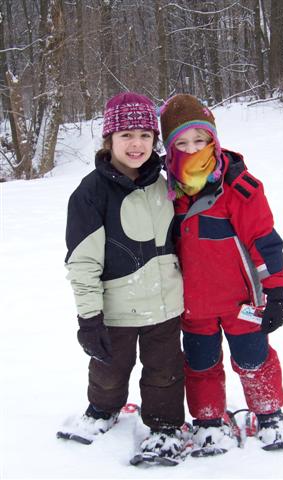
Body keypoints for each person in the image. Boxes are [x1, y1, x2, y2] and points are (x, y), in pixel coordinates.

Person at [159, 94, 283, 452]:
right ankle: (208, 420)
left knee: (254, 360)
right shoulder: (165, 191)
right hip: (193, 305)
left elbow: (265, 242)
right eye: (182, 142)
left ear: (214, 140)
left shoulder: (240, 188)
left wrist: (278, 291)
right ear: (170, 147)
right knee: (201, 364)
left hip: (242, 301)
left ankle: (269, 413)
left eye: (201, 140)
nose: (193, 149)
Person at [64, 92, 185, 461]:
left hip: (165, 305)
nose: (137, 144)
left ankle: (164, 427)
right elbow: (82, 262)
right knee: (108, 370)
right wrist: (89, 317)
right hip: (115, 308)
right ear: (109, 140)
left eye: (145, 135)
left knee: (165, 371)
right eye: (126, 135)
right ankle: (103, 410)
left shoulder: (169, 184)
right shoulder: (90, 192)